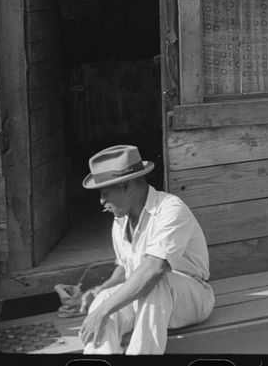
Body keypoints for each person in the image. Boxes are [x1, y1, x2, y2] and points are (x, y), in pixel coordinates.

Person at [79, 144, 215, 354]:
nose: (101, 201)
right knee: (104, 298)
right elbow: (126, 267)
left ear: (126, 186)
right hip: (148, 303)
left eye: (105, 193)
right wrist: (103, 289)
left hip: (190, 298)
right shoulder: (120, 220)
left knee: (154, 282)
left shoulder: (170, 209)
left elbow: (154, 269)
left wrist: (103, 311)